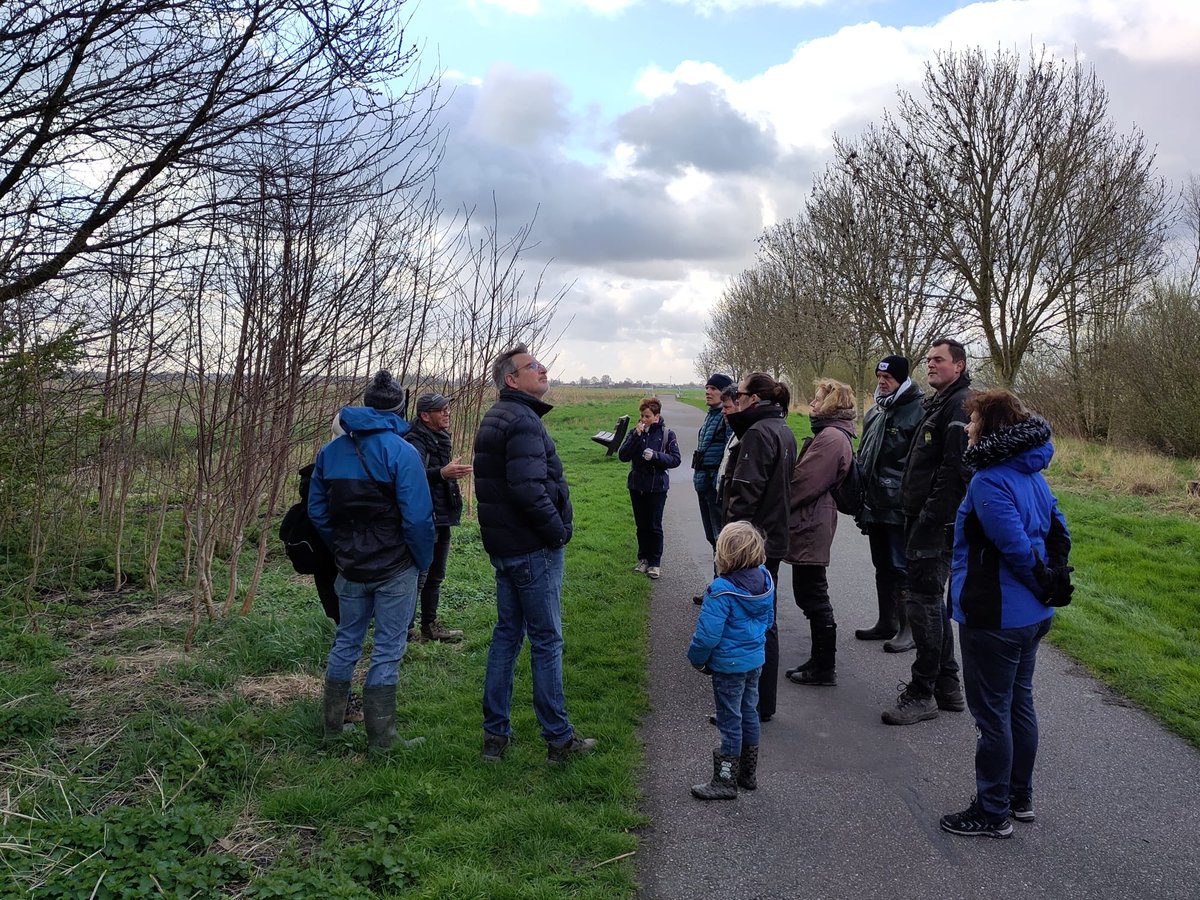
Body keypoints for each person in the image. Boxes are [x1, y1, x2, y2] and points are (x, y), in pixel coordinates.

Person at [940, 389, 1072, 838]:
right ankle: (1019, 797)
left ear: (990, 427)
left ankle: (992, 810)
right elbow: (1059, 530)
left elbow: (1014, 545)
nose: (969, 428)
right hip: (1029, 614)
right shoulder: (1031, 472)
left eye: (974, 421)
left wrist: (1042, 581)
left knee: (993, 714)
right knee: (1019, 705)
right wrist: (1050, 584)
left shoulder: (989, 480)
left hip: (996, 617)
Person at [473, 344, 596, 763]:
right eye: (532, 367)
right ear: (512, 380)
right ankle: (558, 738)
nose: (542, 370)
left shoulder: (496, 416)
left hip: (506, 548)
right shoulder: (522, 420)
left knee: (506, 636)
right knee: (546, 640)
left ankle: (495, 737)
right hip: (530, 549)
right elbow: (528, 489)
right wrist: (557, 531)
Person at [309, 371, 435, 752]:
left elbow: (317, 511)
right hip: (395, 566)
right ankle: (383, 740)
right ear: (399, 407)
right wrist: (421, 560)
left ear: (365, 404)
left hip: (349, 566)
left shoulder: (330, 452)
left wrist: (342, 548)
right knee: (387, 647)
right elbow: (417, 518)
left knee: (346, 640)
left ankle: (333, 729)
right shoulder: (402, 451)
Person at [882, 339, 970, 726]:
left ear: (960, 365)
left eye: (939, 360)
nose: (930, 365)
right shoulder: (941, 402)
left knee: (923, 604)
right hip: (924, 518)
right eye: (929, 360)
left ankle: (923, 693)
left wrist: (930, 518)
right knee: (929, 600)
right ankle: (948, 687)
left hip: (934, 525)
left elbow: (955, 472)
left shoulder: (960, 405)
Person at [723, 372, 797, 722]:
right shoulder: (782, 428)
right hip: (774, 537)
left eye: (738, 395)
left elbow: (745, 494)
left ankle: (749, 704)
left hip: (754, 543)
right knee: (765, 619)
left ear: (753, 399)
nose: (734, 400)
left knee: (750, 623)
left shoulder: (757, 432)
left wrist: (732, 543)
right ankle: (761, 703)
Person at [687, 521, 774, 801]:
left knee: (729, 719)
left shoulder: (720, 590)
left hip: (728, 666)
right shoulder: (764, 580)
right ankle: (748, 773)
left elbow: (707, 637)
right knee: (749, 711)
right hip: (754, 661)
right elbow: (768, 621)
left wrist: (697, 660)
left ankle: (725, 781)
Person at [783, 378, 856, 687]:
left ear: (830, 404)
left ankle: (824, 666)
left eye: (816, 400)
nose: (811, 405)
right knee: (810, 593)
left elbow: (804, 483)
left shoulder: (830, 438)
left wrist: (779, 502)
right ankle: (820, 661)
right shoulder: (834, 435)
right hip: (814, 520)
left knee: (813, 595)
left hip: (812, 523)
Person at [854, 356, 924, 652]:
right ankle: (887, 621)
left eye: (888, 378)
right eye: (880, 377)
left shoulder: (918, 411)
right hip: (874, 502)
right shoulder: (876, 411)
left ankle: (909, 630)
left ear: (902, 379)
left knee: (900, 566)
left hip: (899, 503)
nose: (882, 382)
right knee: (881, 564)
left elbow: (918, 462)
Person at [404, 392, 472, 642]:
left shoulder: (439, 436)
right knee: (419, 576)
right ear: (425, 416)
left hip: (442, 515)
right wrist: (442, 473)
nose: (447, 413)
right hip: (425, 516)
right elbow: (412, 475)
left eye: (447, 409)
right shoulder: (414, 440)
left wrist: (446, 473)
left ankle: (429, 627)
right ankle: (406, 631)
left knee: (436, 575)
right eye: (440, 410)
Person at [618, 397, 682, 579]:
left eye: (647, 416)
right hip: (637, 485)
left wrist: (656, 456)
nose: (643, 419)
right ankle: (643, 559)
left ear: (656, 416)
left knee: (654, 525)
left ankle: (655, 562)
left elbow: (675, 459)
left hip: (657, 486)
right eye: (641, 415)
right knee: (641, 525)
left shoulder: (667, 434)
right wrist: (635, 437)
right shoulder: (635, 432)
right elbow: (623, 455)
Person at [694, 374, 733, 550]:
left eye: (713, 389)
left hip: (715, 486)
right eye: (707, 388)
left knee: (720, 538)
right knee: (711, 537)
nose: (708, 392)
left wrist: (718, 482)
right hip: (703, 482)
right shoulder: (711, 415)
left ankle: (722, 576)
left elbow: (729, 452)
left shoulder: (726, 417)